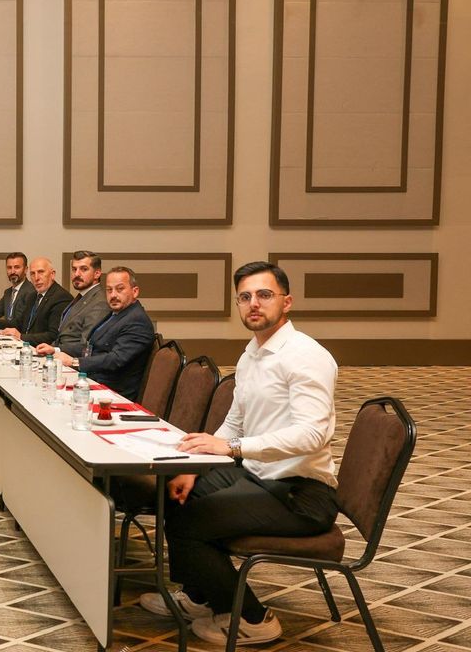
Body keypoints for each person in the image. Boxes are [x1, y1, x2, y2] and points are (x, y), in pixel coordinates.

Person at [139, 261, 339, 646]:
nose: (253, 304)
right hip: (260, 476)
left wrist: (231, 448)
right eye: (244, 297)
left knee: (189, 523)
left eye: (264, 295)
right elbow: (234, 423)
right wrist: (196, 466)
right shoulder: (252, 355)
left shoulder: (305, 355)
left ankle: (252, 617)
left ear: (287, 302)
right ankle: (199, 595)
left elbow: (313, 435)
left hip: (301, 493)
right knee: (173, 494)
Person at [51, 266, 154, 400]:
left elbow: (115, 359)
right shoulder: (115, 314)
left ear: (135, 292)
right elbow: (91, 346)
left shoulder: (137, 321)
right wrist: (56, 349)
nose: (113, 295)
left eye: (120, 289)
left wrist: (74, 362)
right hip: (94, 382)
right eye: (109, 290)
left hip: (113, 394)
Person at [36, 250, 109, 358]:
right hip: (59, 356)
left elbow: (87, 346)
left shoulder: (100, 302)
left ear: (97, 274)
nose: (77, 274)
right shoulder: (82, 296)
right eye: (74, 269)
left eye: (84, 269)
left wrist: (55, 350)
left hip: (74, 362)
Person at [0, 258, 72, 346]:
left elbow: (53, 335)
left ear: (52, 274)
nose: (36, 278)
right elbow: (20, 323)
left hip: (43, 350)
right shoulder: (33, 296)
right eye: (32, 274)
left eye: (41, 272)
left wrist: (21, 337)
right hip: (27, 348)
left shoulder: (61, 297)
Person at [0, 252, 29, 330]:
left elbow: (19, 322)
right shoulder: (8, 292)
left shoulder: (31, 292)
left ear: (25, 270)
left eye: (17, 267)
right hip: (7, 335)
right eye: (9, 267)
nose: (12, 271)